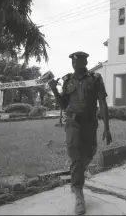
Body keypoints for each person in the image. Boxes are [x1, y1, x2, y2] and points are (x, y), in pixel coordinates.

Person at [48, 51, 112, 215]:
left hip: (90, 122)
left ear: (85, 62)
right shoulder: (67, 80)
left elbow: (103, 103)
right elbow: (63, 104)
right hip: (73, 122)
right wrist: (54, 89)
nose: (75, 64)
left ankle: (78, 174)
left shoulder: (95, 78)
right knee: (75, 153)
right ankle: (78, 194)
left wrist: (107, 127)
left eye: (79, 61)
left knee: (90, 151)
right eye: (73, 62)